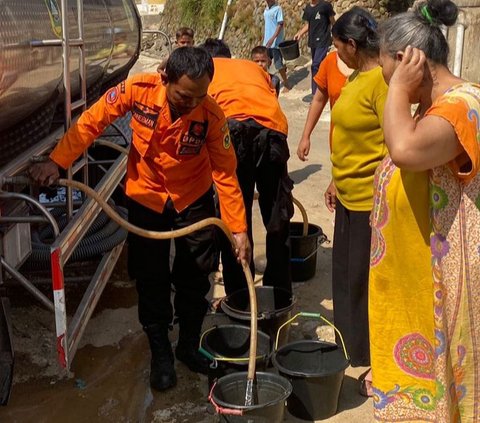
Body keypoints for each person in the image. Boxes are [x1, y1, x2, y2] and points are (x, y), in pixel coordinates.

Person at [28, 47, 249, 392]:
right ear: (165, 79)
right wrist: (57, 162)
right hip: (146, 197)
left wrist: (238, 229)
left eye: (199, 96)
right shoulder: (138, 91)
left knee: (196, 274)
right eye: (183, 95)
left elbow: (226, 172)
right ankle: (160, 350)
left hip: (193, 200)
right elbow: (91, 122)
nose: (192, 103)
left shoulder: (211, 116)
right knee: (151, 276)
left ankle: (188, 345)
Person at [369, 0, 480, 420]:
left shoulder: (462, 105)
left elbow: (405, 151)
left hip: (446, 285)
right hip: (417, 279)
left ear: (404, 61)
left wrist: (397, 89)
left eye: (385, 71)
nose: (386, 83)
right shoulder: (432, 108)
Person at [326, 7, 388, 396]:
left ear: (352, 45)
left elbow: (394, 140)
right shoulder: (356, 78)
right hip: (348, 194)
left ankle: (369, 353)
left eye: (337, 47)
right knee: (345, 276)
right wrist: (334, 178)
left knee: (365, 281)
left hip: (369, 200)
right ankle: (350, 347)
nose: (335, 54)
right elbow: (349, 138)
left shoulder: (380, 82)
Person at [200, 38, 294, 296]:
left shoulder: (205, 71)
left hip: (233, 132)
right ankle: (279, 293)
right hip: (272, 133)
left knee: (234, 214)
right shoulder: (255, 68)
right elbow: (270, 95)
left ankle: (241, 297)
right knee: (277, 215)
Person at [297, 49, 352, 160]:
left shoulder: (376, 65)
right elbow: (318, 100)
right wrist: (305, 136)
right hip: (339, 146)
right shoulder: (330, 61)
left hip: (371, 149)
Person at [294, 0, 335, 97]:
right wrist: (300, 33)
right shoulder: (308, 8)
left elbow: (332, 20)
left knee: (315, 64)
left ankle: (316, 93)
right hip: (313, 41)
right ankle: (323, 88)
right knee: (320, 65)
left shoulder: (325, 6)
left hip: (323, 40)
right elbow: (309, 24)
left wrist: (336, 33)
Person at [263, 0, 291, 92]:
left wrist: (273, 38)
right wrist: (266, 39)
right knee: (265, 63)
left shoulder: (277, 9)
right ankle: (266, 83)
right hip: (267, 43)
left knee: (278, 64)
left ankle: (286, 84)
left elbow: (280, 24)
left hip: (276, 43)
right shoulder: (266, 10)